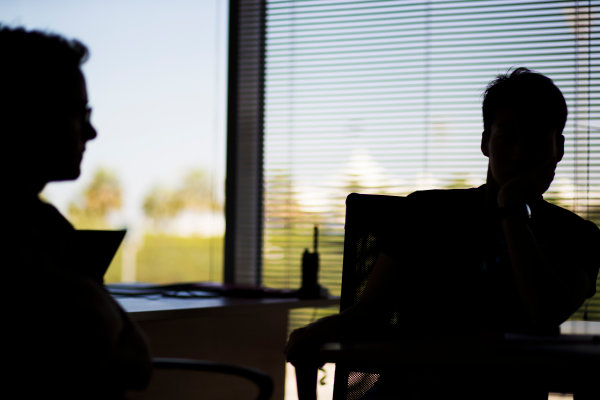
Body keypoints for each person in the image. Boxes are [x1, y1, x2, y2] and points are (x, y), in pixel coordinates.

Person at [285, 67, 600, 399]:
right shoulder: (425, 213)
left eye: (536, 140)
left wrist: (511, 208)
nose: (520, 153)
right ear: (484, 141)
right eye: (508, 137)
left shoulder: (578, 237)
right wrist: (314, 332)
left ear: (558, 149)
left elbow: (543, 316)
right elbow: (370, 314)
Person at [1, 26, 152, 399]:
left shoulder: (42, 226)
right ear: (25, 113)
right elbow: (136, 362)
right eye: (77, 112)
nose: (92, 131)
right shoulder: (29, 237)